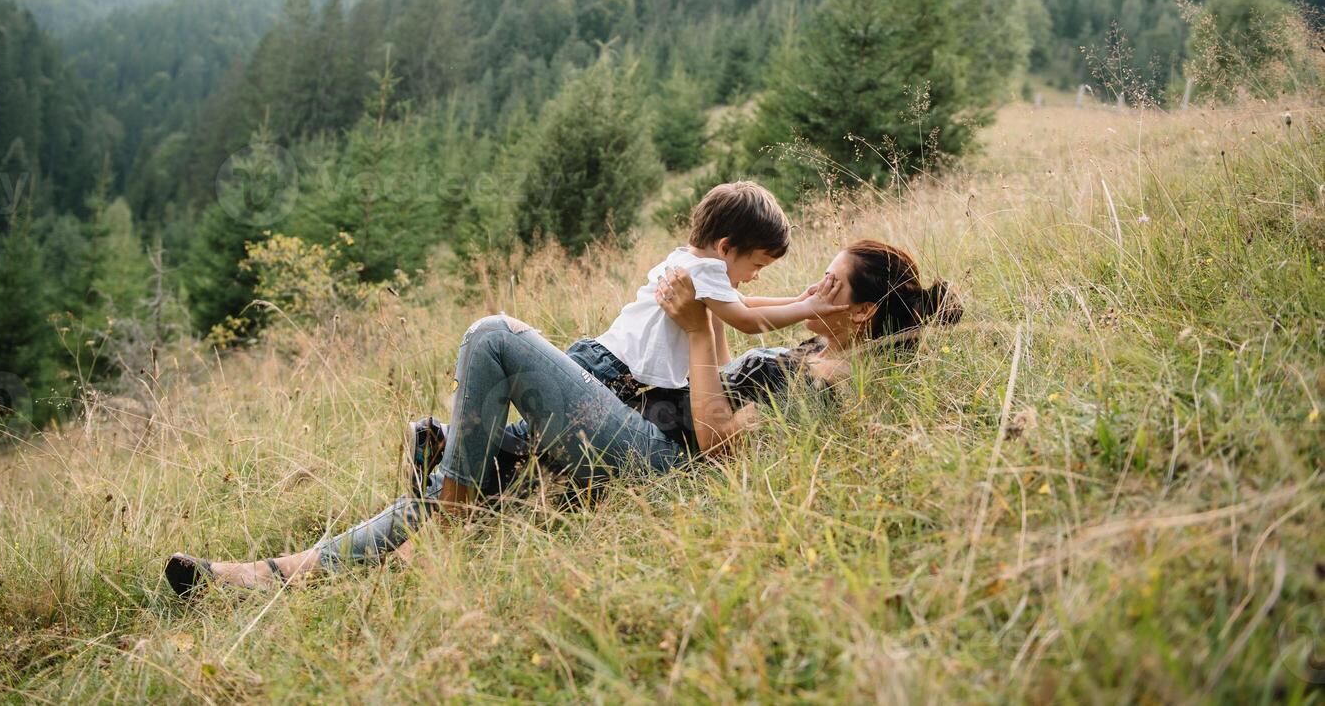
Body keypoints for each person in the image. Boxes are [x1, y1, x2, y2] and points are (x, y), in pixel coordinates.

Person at [164, 239, 960, 594]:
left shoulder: (832, 387)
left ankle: (451, 506)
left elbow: (720, 446)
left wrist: (697, 327)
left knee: (495, 338)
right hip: (638, 430)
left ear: (861, 312)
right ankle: (245, 579)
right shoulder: (807, 357)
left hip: (664, 470)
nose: (813, 293)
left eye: (827, 285)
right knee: (451, 491)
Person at [569, 180, 837, 400]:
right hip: (605, 369)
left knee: (541, 438)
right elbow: (746, 320)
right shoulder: (702, 271)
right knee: (538, 435)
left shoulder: (692, 263)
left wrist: (798, 299)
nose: (755, 276)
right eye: (757, 265)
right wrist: (806, 309)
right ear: (725, 248)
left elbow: (746, 303)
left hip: (604, 363)